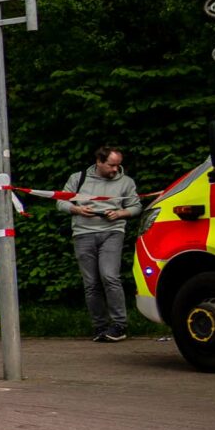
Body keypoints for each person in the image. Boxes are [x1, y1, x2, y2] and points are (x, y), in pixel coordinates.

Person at [60, 146, 141, 341]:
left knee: (109, 276)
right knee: (91, 283)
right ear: (99, 162)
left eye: (118, 165)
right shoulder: (78, 178)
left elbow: (136, 206)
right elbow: (60, 201)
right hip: (83, 233)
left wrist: (120, 213)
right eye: (111, 165)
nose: (115, 169)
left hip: (112, 232)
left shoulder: (126, 182)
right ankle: (100, 326)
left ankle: (119, 324)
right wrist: (77, 210)